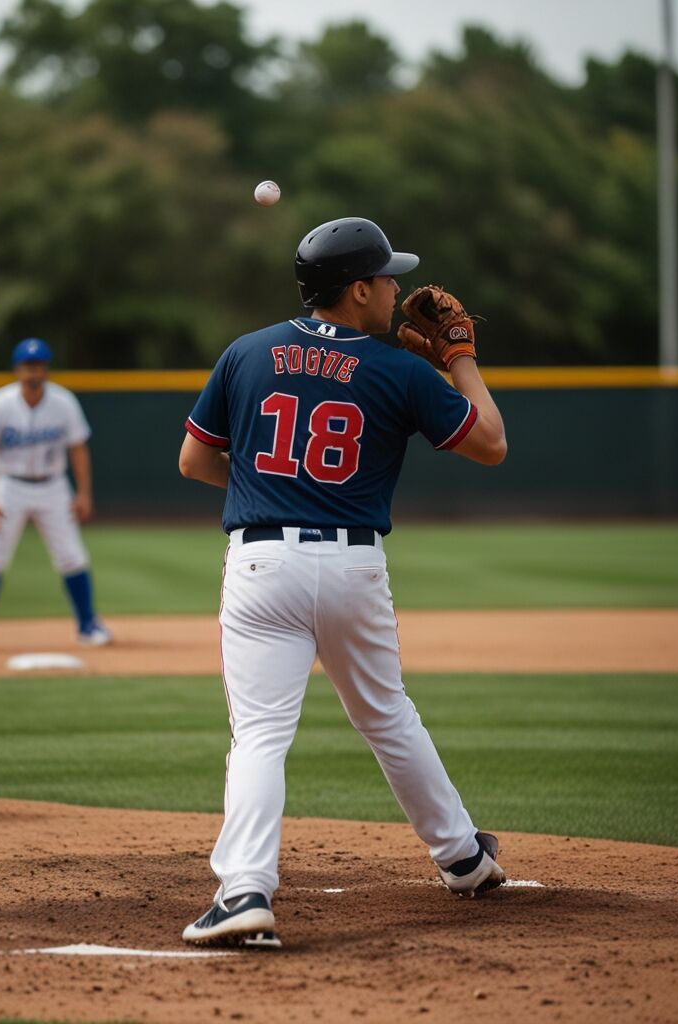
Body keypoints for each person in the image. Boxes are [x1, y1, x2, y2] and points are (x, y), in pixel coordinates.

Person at [177, 217, 508, 948]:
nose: (396, 289)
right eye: (386, 277)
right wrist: (458, 361)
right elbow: (490, 445)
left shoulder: (247, 352)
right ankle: (460, 856)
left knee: (260, 734)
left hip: (262, 562)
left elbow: (194, 462)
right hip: (356, 564)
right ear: (357, 289)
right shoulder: (402, 370)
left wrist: (271, 476)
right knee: (387, 713)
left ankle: (245, 894)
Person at [0, 338, 111, 650]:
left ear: (46, 370)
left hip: (53, 486)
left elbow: (78, 448)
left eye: (38, 366)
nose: (33, 372)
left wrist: (84, 493)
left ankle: (88, 624)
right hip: (9, 485)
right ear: (17, 370)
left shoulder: (64, 402)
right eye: (27, 366)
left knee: (71, 556)